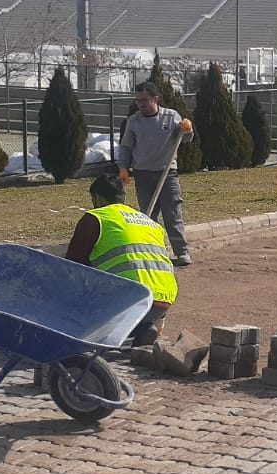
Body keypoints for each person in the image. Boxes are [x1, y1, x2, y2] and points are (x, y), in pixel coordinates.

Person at [64, 173, 178, 345]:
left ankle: (92, 334)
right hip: (162, 302)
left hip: (126, 303)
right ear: (123, 197)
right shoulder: (150, 223)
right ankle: (143, 329)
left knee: (72, 287)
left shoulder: (96, 218)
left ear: (97, 198)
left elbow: (71, 267)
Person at [118, 81, 194, 266]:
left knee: (172, 213)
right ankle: (153, 252)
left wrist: (187, 129)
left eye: (144, 100)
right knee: (148, 216)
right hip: (143, 174)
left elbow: (186, 139)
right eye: (138, 101)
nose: (141, 104)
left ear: (155, 99)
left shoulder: (171, 117)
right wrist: (123, 167)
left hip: (167, 173)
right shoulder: (134, 121)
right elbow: (126, 147)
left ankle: (182, 252)